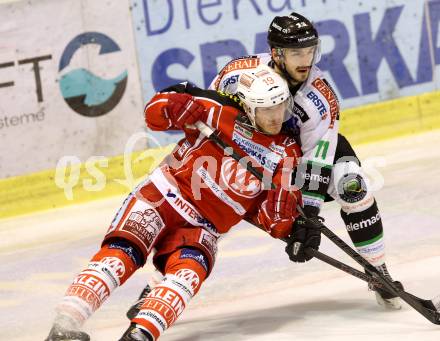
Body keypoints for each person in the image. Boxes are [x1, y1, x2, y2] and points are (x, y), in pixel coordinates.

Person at [45, 65, 308, 341]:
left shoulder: (287, 152)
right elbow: (154, 114)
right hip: (163, 198)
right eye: (267, 109)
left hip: (203, 229)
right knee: (122, 254)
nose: (277, 116)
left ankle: (139, 335)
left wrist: (290, 211)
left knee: (187, 276)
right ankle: (63, 327)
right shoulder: (216, 109)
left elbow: (275, 222)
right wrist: (174, 105)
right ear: (248, 106)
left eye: (281, 106)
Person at [209, 12, 403, 309]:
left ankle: (378, 270)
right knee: (205, 205)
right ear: (276, 53)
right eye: (296, 52)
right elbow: (210, 114)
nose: (306, 59)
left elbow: (317, 161)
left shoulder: (320, 96)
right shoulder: (238, 74)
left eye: (310, 50)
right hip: (253, 148)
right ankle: (159, 284)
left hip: (301, 155)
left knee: (354, 186)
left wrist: (307, 218)